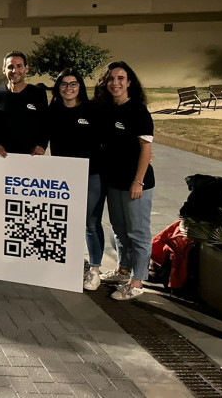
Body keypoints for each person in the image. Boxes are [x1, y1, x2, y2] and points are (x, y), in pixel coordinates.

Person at [95, 61, 155, 301]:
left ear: (129, 82)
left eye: (121, 78)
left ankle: (137, 281)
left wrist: (138, 181)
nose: (115, 83)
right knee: (120, 230)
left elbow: (146, 149)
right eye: (111, 79)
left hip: (136, 183)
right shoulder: (106, 109)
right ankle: (123, 269)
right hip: (113, 182)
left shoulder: (138, 111)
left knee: (138, 233)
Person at [48, 69, 106, 292]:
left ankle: (94, 270)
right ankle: (70, 264)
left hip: (92, 174)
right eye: (64, 84)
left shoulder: (92, 110)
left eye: (73, 84)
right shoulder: (53, 110)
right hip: (64, 176)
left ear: (80, 86)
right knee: (66, 222)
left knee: (90, 223)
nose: (68, 88)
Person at [0, 51, 49, 157]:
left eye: (19, 66)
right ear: (4, 70)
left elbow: (45, 123)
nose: (14, 70)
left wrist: (42, 145)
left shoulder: (38, 94)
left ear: (26, 69)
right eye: (10, 66)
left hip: (32, 156)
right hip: (3, 157)